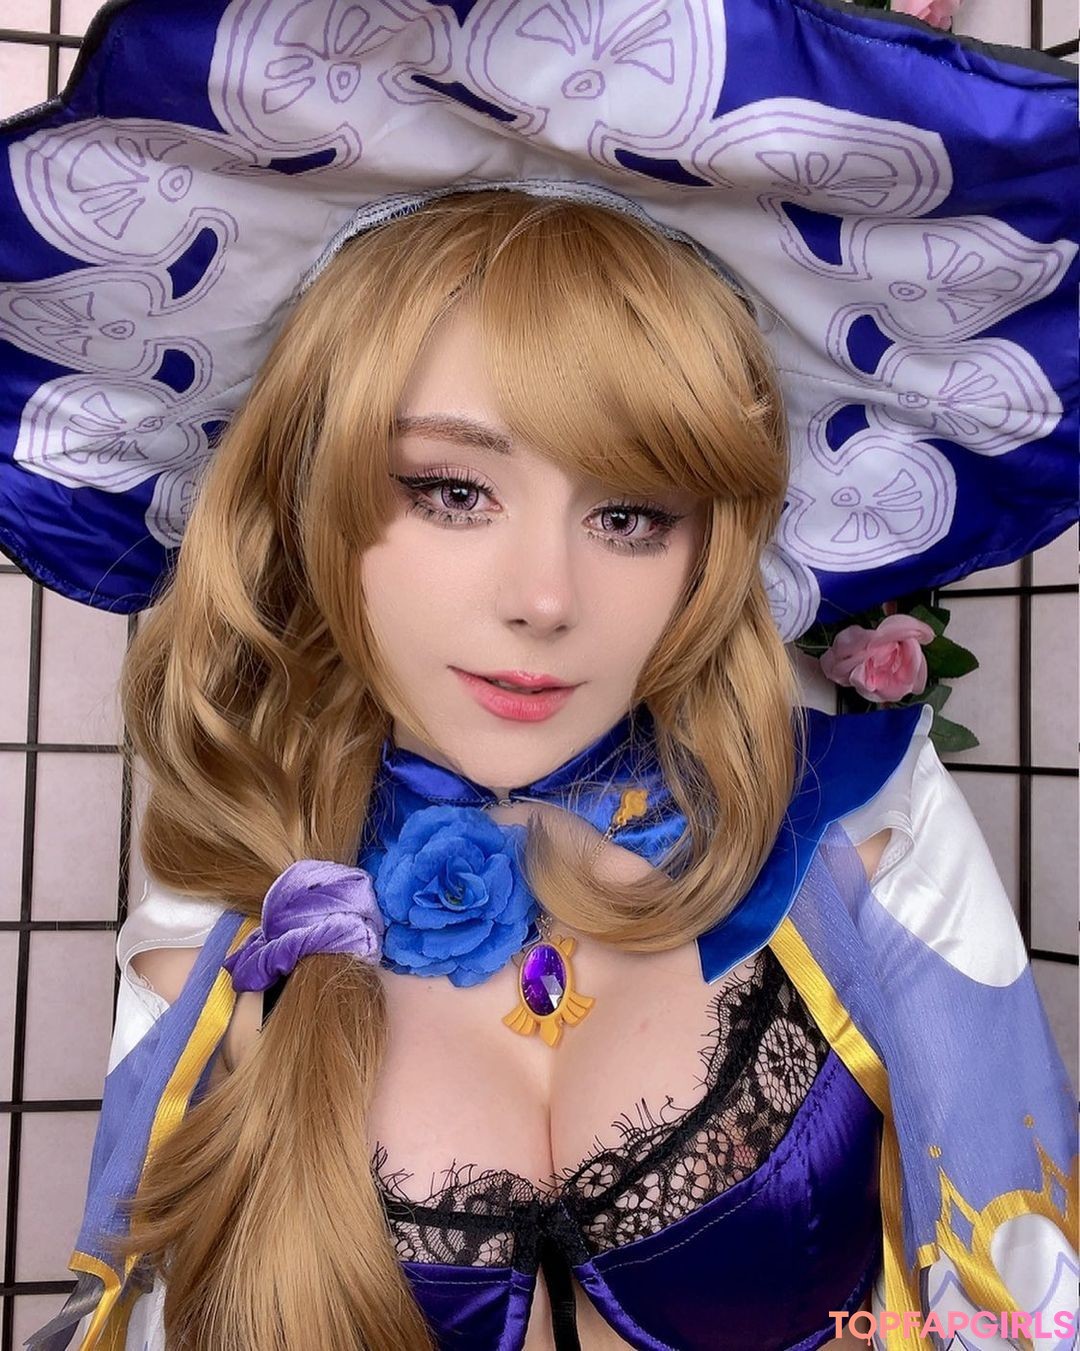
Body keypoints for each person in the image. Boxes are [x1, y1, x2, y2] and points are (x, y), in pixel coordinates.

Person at [1, 4, 1075, 1351]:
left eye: (631, 514)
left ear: (717, 541)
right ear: (305, 488)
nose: (547, 598)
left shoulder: (870, 825)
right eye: (450, 490)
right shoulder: (233, 878)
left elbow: (1029, 1301)